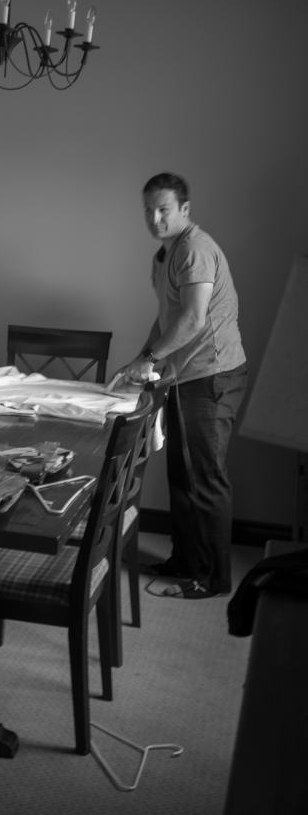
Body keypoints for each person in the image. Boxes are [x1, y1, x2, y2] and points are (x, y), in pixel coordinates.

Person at [114, 172, 247, 600]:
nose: (154, 219)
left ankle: (212, 578)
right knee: (182, 475)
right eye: (148, 211)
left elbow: (193, 319)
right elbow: (167, 320)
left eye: (163, 210)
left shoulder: (194, 249)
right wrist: (140, 360)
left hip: (212, 376)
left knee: (204, 478)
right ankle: (185, 562)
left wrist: (150, 360)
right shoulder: (164, 255)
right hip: (185, 376)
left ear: (184, 210)